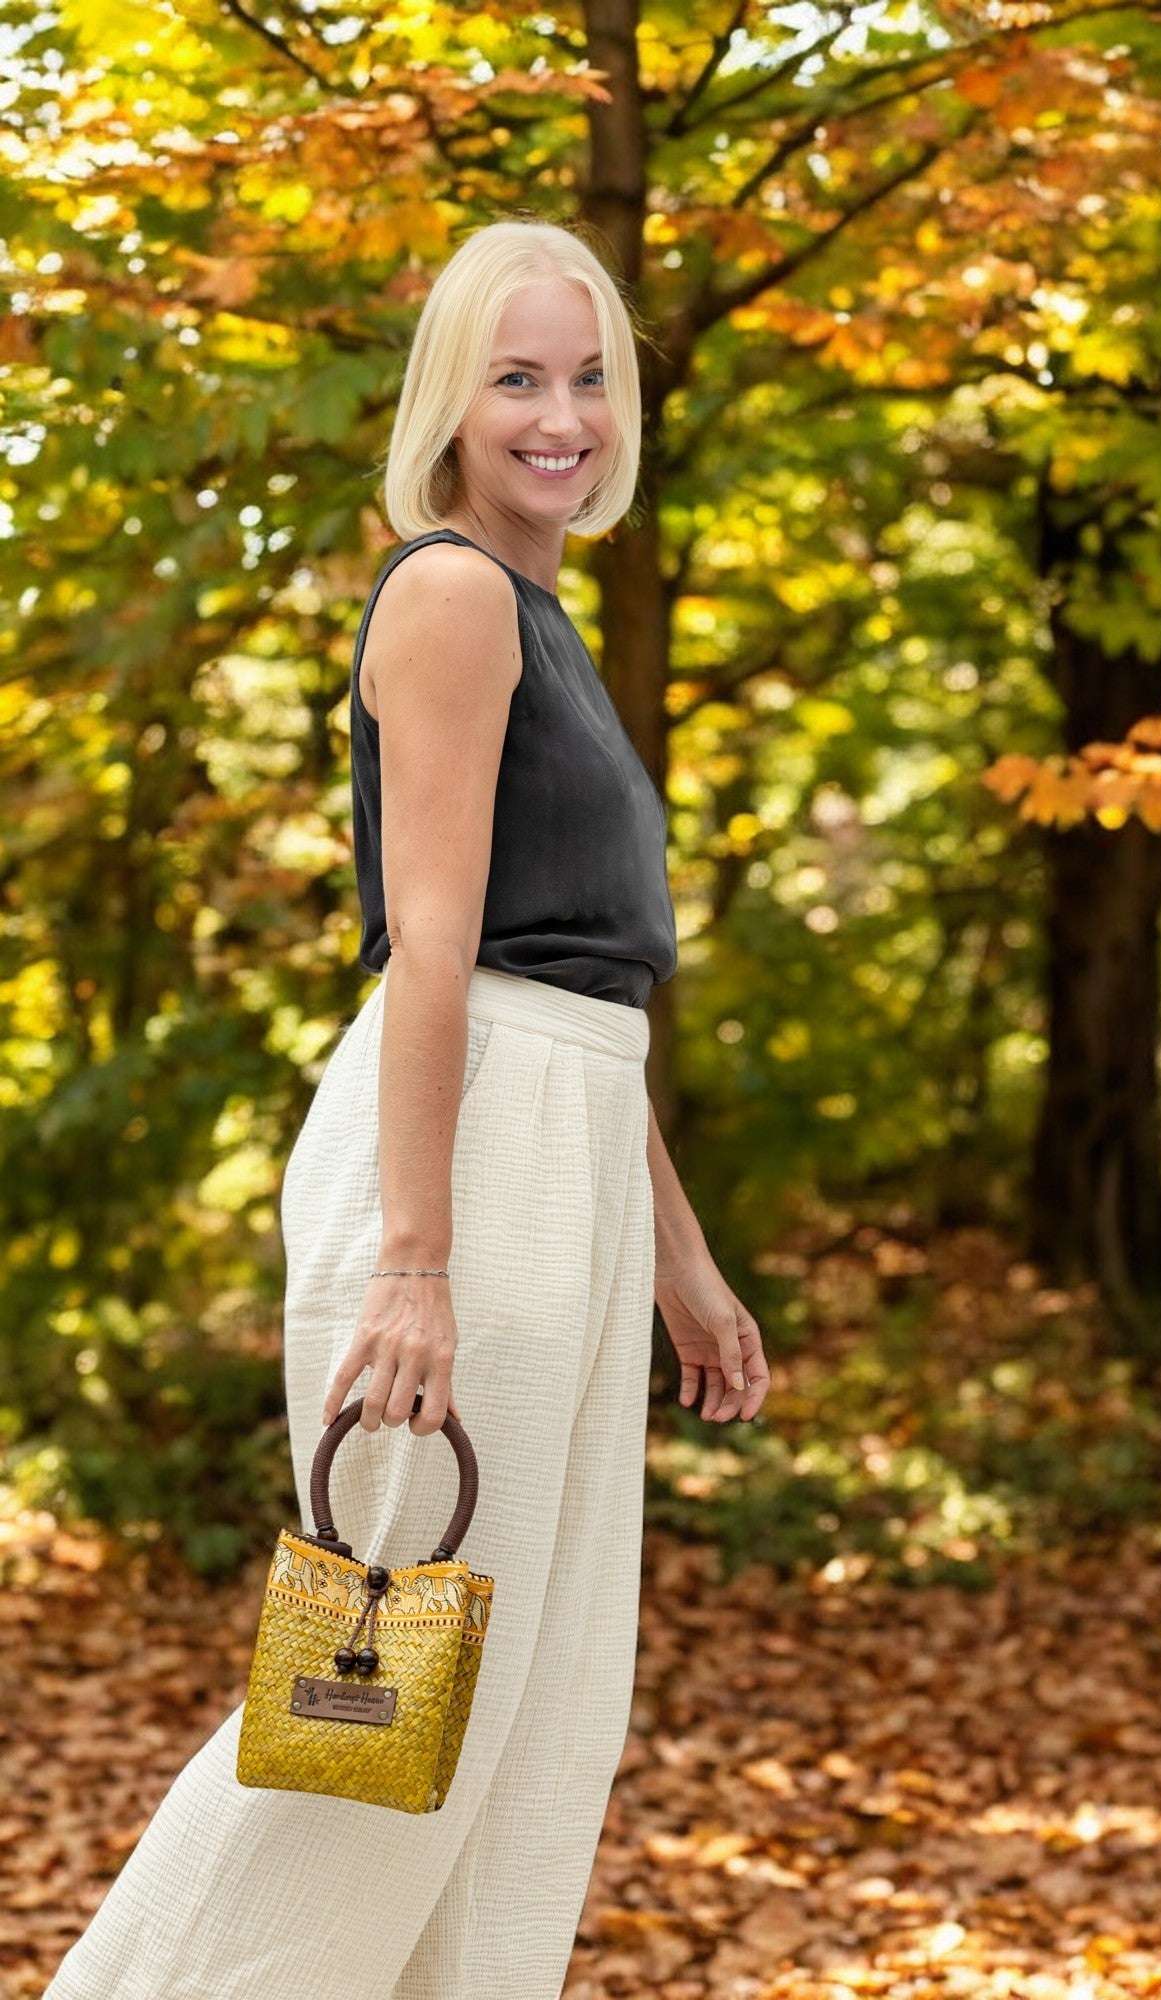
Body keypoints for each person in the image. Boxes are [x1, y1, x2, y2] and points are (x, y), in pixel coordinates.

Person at [43, 217, 771, 2000]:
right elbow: (439, 953)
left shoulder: (541, 616)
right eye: (516, 377)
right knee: (371, 1696)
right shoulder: (450, 595)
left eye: (588, 378)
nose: (560, 416)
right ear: (449, 398)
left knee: (523, 1711)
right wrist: (417, 1263)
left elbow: (581, 985)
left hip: (565, 1144)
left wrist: (679, 1256)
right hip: (470, 1159)